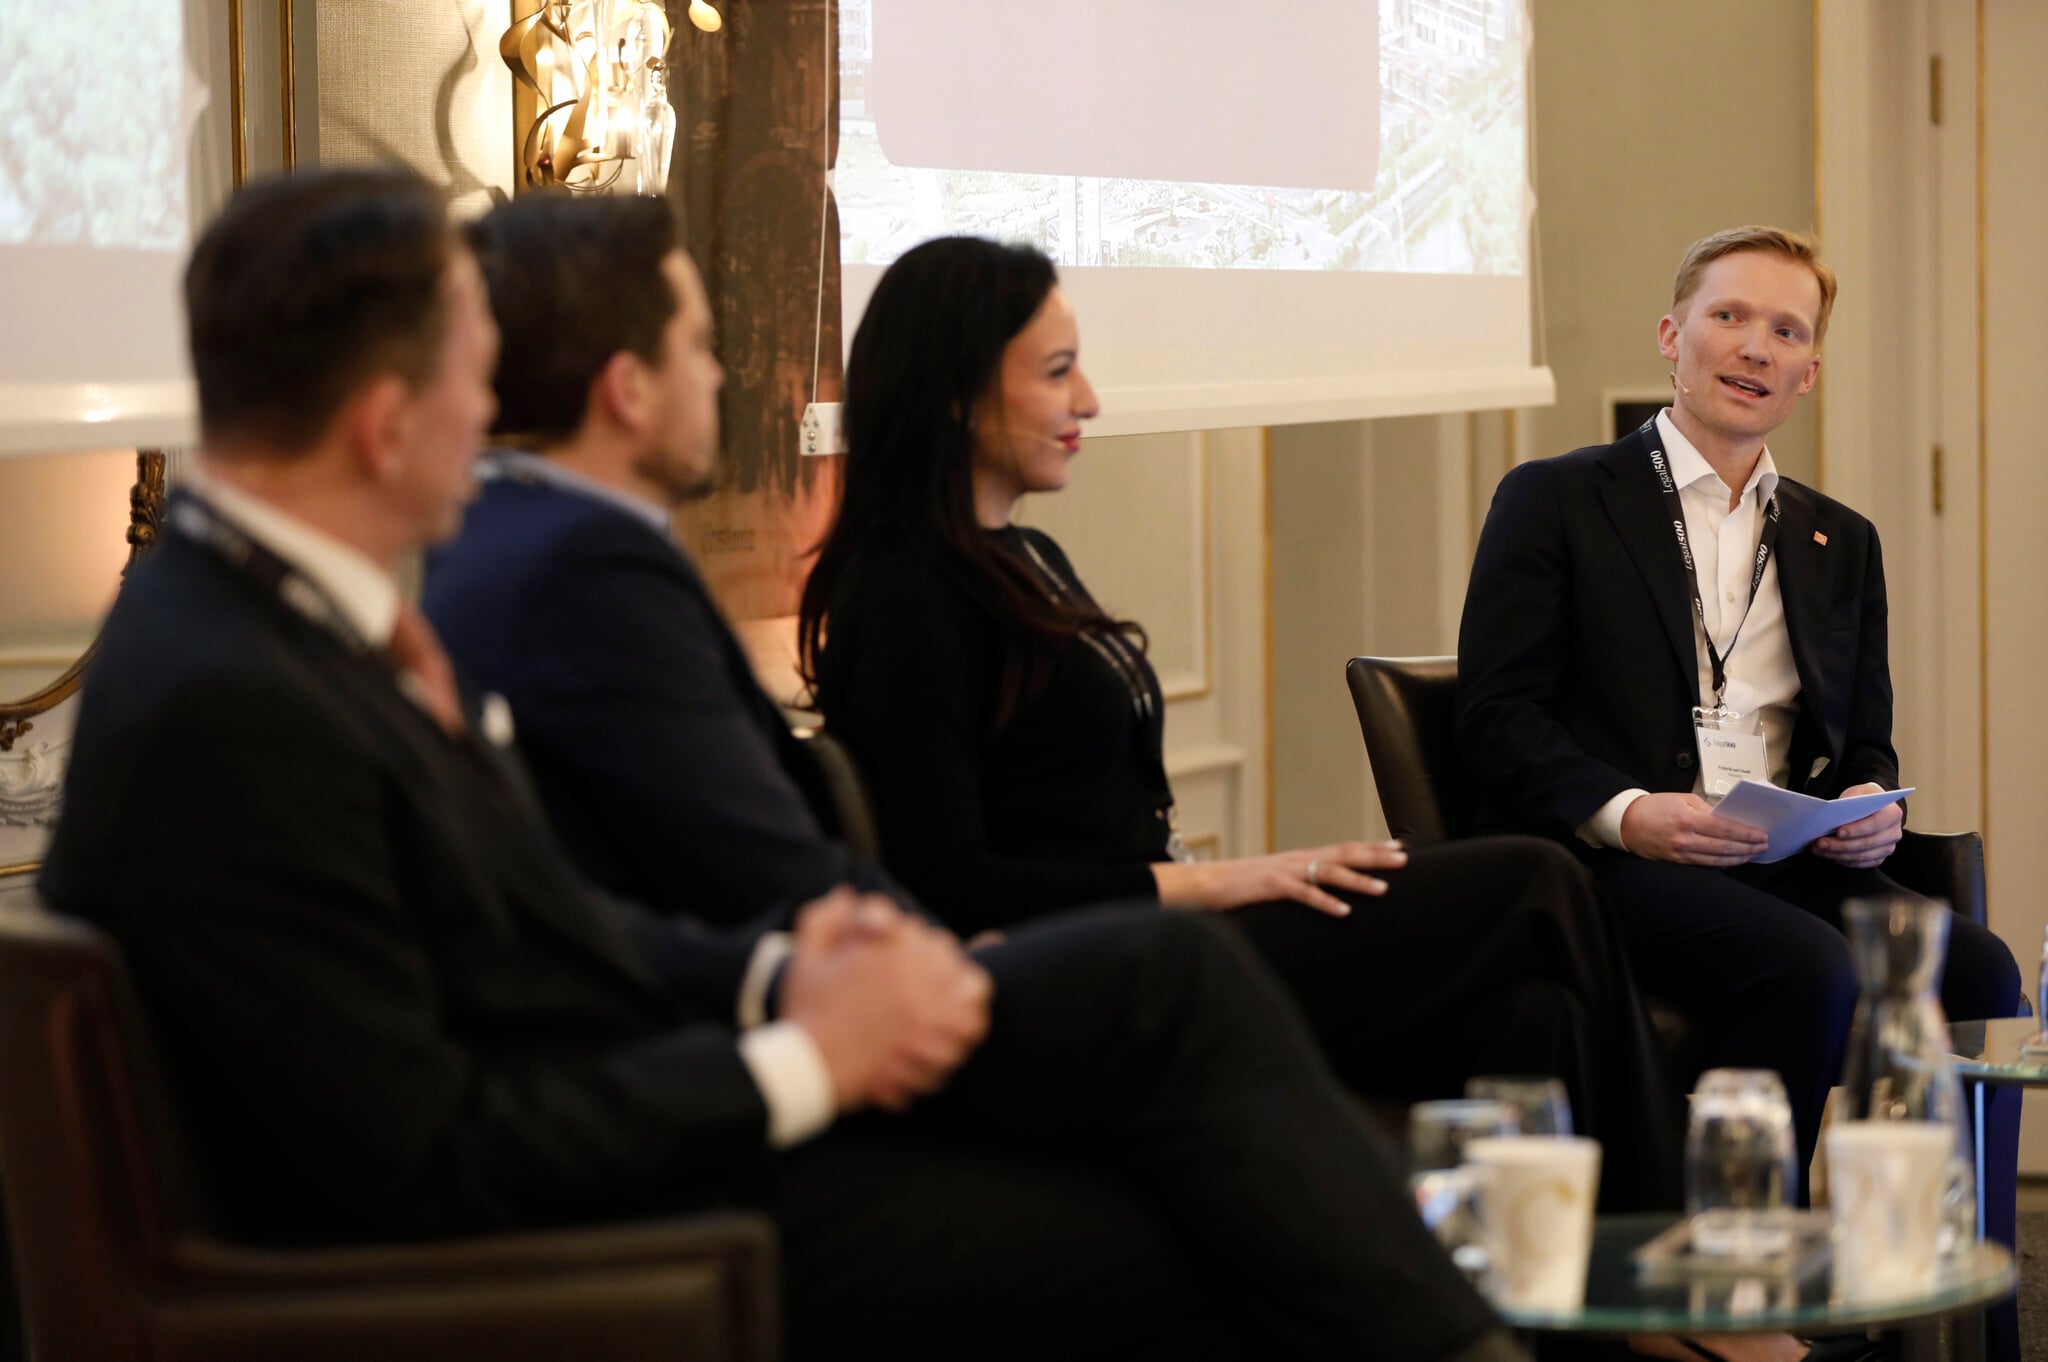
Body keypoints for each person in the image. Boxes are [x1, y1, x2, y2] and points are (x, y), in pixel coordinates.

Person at [37, 168, 1531, 1362]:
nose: (492, 424)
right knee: (1184, 1191)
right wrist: (804, 1056)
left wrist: (779, 976)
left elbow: (543, 926)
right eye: (474, 383)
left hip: (635, 1090)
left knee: (1170, 1001)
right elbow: (420, 1150)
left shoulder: (262, 622)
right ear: (383, 423)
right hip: (551, 1228)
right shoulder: (234, 697)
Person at [791, 233, 1680, 1210]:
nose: (1088, 399)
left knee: (1538, 1018)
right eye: (1056, 372)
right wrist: (1225, 881)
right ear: (957, 392)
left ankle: (1575, 1272)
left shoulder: (1022, 556)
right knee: (1536, 878)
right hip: (1112, 965)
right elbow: (946, 883)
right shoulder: (903, 595)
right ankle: (1658, 1250)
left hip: (1174, 929)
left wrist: (1235, 882)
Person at [1453, 226, 2021, 1196]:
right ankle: (1747, 1249)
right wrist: (1630, 813)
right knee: (1809, 966)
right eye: (1729, 316)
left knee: (1976, 969)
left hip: (1774, 857)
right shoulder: (1555, 499)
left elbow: (1864, 739)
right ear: (1672, 337)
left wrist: (1868, 801)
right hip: (1605, 862)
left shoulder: (1841, 540)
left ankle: (1949, 1259)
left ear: (1807, 374)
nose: (1756, 347)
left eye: (1786, 331)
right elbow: (1495, 716)